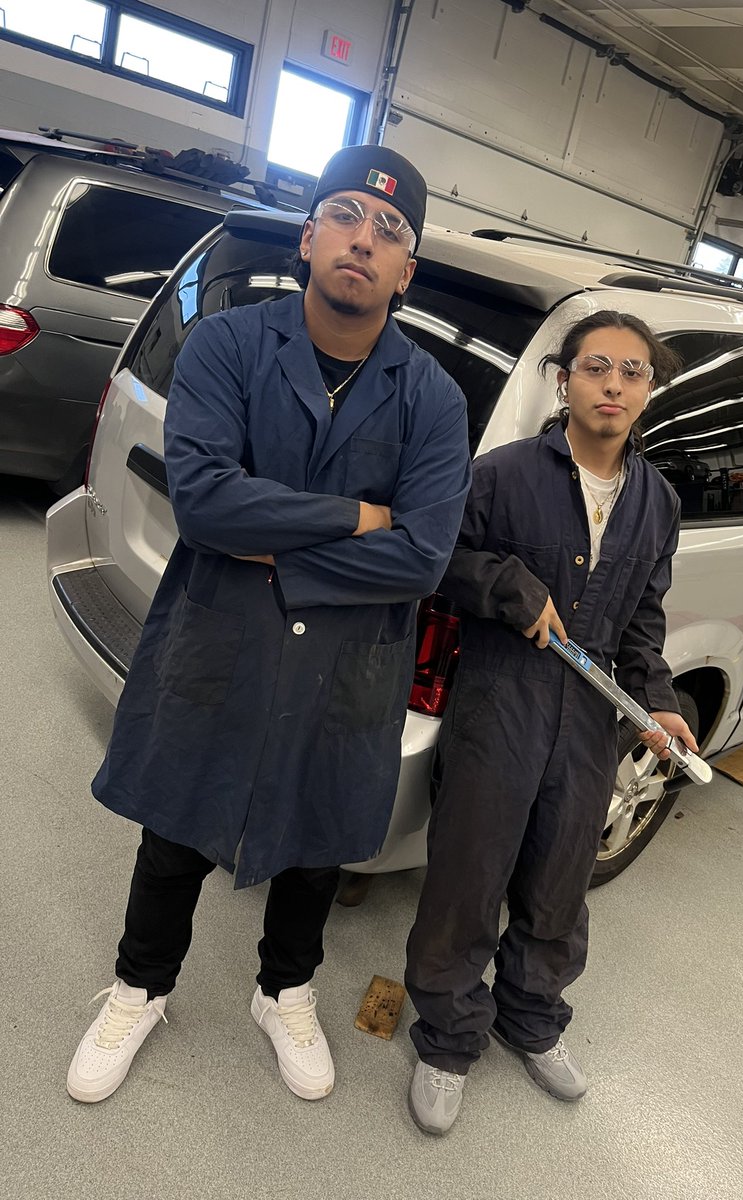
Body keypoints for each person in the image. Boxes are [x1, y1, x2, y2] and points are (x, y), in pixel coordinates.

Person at [66, 145, 472, 1105]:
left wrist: (283, 552)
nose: (363, 239)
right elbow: (206, 504)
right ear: (308, 237)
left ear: (406, 272)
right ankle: (139, 988)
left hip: (349, 660)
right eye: (345, 215)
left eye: (389, 231)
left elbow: (422, 558)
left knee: (316, 835)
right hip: (223, 636)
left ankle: (284, 990)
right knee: (177, 822)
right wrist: (357, 517)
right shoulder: (227, 346)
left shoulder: (433, 399)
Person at [403, 309, 699, 1135]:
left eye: (632, 371)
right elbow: (437, 556)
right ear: (565, 380)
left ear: (649, 390)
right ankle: (447, 1038)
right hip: (501, 697)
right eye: (596, 366)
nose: (613, 384)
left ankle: (531, 1018)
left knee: (561, 878)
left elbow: (642, 619)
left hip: (592, 711)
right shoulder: (501, 475)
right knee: (470, 872)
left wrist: (660, 700)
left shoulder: (658, 502)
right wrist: (505, 586)